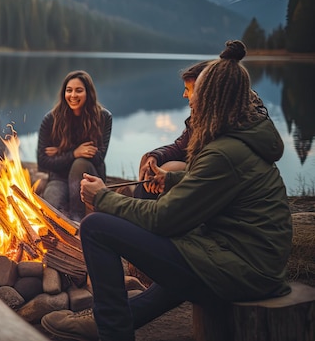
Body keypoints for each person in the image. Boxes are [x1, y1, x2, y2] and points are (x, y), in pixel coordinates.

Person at [40, 40, 293, 341]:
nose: (187, 98)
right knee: (179, 244)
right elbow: (221, 183)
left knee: (96, 227)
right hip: (245, 260)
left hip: (242, 271)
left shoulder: (225, 151)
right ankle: (112, 319)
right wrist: (170, 180)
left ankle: (112, 331)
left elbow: (165, 220)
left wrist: (103, 198)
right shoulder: (239, 136)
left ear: (212, 96)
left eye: (193, 92)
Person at [37, 70, 112, 221]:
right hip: (59, 177)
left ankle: (78, 220)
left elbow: (98, 158)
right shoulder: (51, 119)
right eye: (69, 90)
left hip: (89, 177)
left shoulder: (103, 117)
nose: (73, 95)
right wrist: (74, 152)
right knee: (48, 212)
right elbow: (42, 162)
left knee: (80, 164)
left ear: (88, 93)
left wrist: (61, 152)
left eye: (79, 90)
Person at [132, 60, 211, 198]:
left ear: (203, 92)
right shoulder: (200, 119)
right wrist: (154, 156)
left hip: (205, 190)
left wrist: (169, 174)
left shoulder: (222, 128)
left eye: (188, 89)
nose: (184, 95)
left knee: (170, 168)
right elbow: (180, 147)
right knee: (150, 163)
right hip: (197, 182)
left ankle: (142, 210)